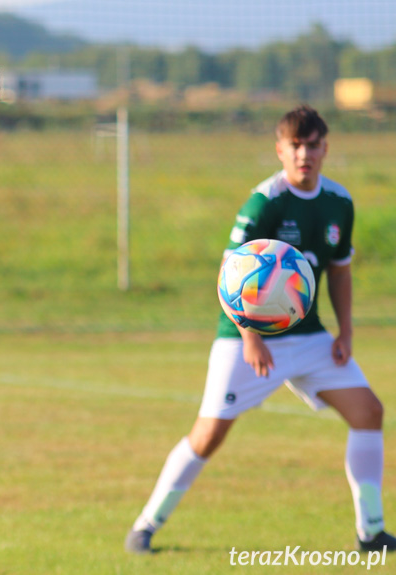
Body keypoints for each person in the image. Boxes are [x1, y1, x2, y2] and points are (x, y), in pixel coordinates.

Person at [124, 105, 395, 554]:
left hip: (309, 338)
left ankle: (371, 531)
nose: (304, 153)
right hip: (244, 339)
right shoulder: (265, 201)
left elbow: (341, 271)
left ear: (325, 149)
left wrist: (346, 333)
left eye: (312, 145)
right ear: (280, 150)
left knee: (369, 412)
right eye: (295, 145)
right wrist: (251, 336)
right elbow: (230, 275)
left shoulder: (340, 203)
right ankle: (146, 525)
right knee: (209, 434)